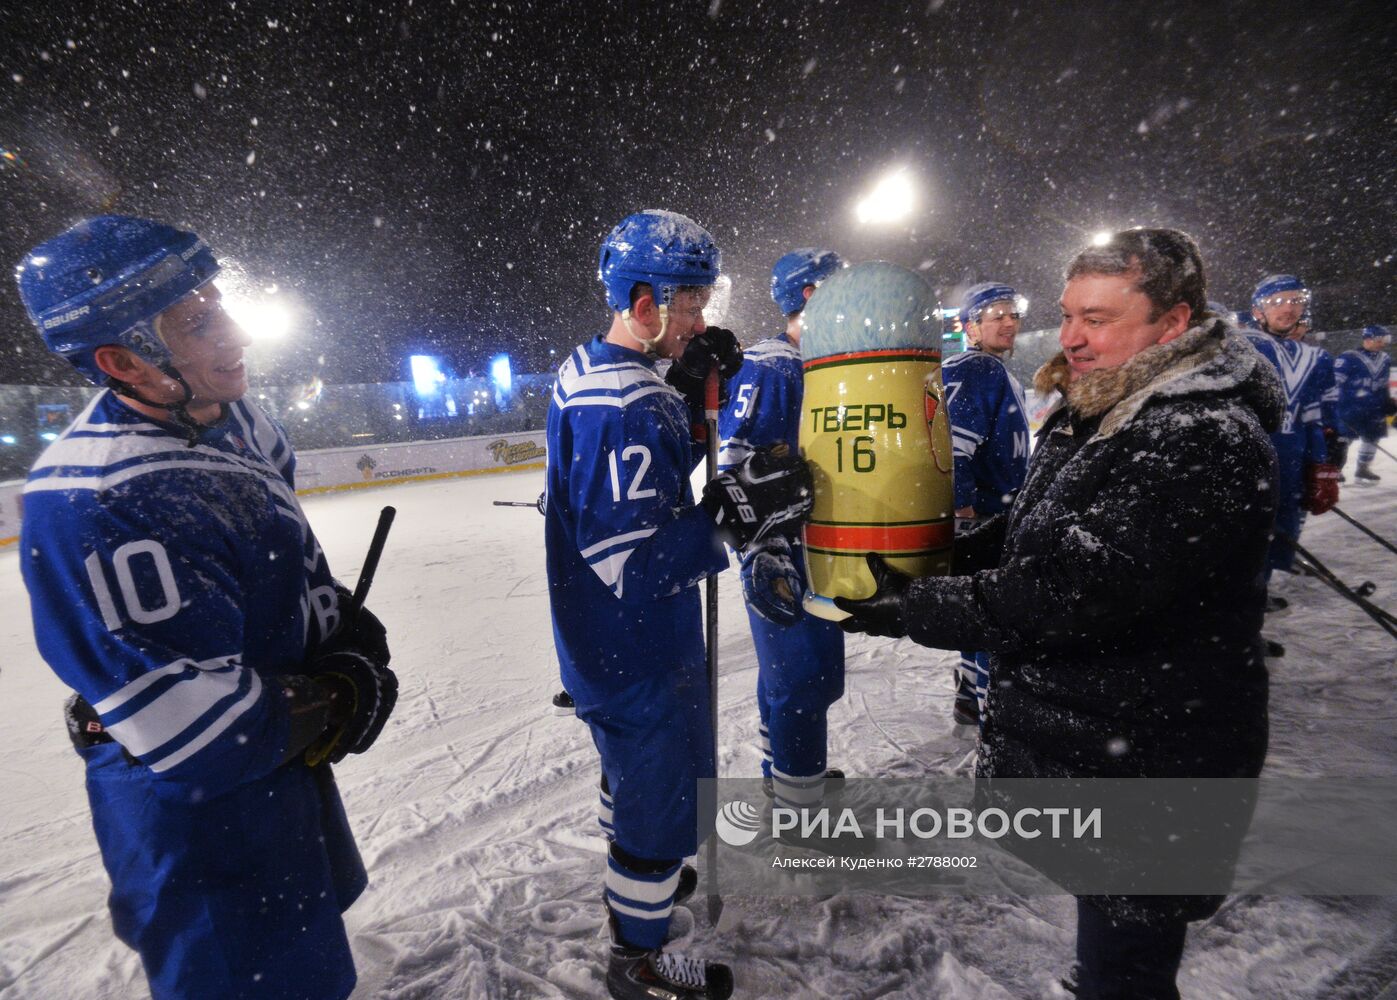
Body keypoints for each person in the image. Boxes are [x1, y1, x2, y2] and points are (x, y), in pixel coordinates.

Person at [836, 228, 1281, 1000]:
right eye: (1069, 314)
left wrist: (920, 606)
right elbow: (1032, 530)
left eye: (1098, 319)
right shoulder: (1109, 404)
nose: (1071, 337)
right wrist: (924, 564)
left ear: (1172, 324)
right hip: (1109, 737)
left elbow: (1078, 589)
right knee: (1113, 928)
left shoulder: (1197, 434)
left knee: (1130, 956)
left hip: (1153, 752)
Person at [14, 216, 397, 1000]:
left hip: (271, 778)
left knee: (308, 964)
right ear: (123, 361)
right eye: (197, 322)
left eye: (220, 304)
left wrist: (332, 625)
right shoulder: (98, 499)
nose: (236, 333)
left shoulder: (242, 418)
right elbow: (198, 733)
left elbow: (278, 556)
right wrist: (339, 692)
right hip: (199, 817)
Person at [545, 210, 812, 1000]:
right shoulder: (617, 405)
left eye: (702, 300)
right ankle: (637, 955)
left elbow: (648, 480)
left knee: (636, 782)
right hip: (631, 641)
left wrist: (686, 382)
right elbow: (630, 560)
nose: (701, 319)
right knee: (659, 801)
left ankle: (638, 878)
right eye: (687, 304)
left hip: (617, 639)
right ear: (639, 300)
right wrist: (731, 514)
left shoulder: (609, 371)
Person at [718, 247, 846, 812]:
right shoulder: (772, 366)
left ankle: (784, 772)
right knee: (804, 678)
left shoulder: (812, 361)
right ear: (811, 296)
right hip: (786, 548)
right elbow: (738, 468)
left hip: (812, 545)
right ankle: (801, 805)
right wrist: (762, 548)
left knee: (797, 677)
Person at [941, 282, 1031, 725]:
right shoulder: (977, 368)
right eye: (996, 315)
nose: (1008, 323)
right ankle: (991, 711)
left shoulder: (993, 369)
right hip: (985, 516)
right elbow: (953, 447)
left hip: (998, 512)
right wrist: (964, 512)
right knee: (995, 616)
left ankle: (969, 695)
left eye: (1012, 314)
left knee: (985, 612)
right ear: (970, 326)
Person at [1244, 274, 1342, 635]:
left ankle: (1256, 598)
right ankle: (1232, 617)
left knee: (1280, 531)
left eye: (1296, 300)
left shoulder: (1314, 358)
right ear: (1258, 310)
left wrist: (1323, 462)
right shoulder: (1243, 346)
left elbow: (1314, 418)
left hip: (1292, 459)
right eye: (1277, 301)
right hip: (1247, 461)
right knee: (1241, 539)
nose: (1289, 307)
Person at [1335, 324, 1396, 482]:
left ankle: (1363, 468)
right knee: (1343, 440)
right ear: (1368, 339)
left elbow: (1383, 384)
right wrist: (1333, 406)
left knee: (1372, 437)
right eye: (1381, 339)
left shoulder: (1385, 359)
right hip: (1350, 408)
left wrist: (1387, 401)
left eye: (1385, 339)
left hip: (1374, 408)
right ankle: (1336, 469)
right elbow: (1335, 383)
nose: (1384, 343)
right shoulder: (1348, 357)